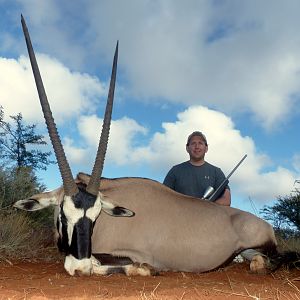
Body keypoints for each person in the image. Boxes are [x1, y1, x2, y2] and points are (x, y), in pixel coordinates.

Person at [163, 131, 231, 206]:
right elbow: (163, 197)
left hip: (208, 216)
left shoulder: (216, 172)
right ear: (187, 148)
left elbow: (226, 199)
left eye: (200, 143)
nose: (197, 146)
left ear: (206, 148)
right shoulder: (175, 171)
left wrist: (206, 207)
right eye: (193, 143)